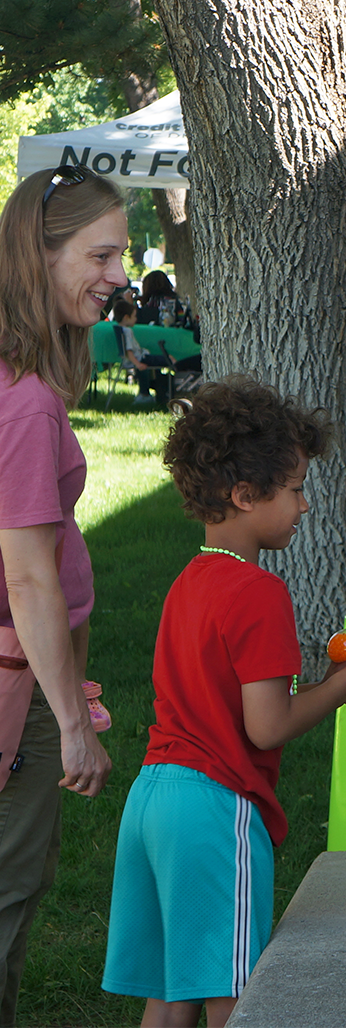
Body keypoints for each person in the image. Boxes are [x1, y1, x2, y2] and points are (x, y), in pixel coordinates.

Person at [101, 377, 346, 1028]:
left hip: (151, 800)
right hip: (211, 809)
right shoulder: (260, 592)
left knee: (173, 996)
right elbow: (266, 727)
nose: (304, 505)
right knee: (238, 998)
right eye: (294, 489)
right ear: (243, 495)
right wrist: (341, 689)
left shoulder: (189, 582)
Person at [0, 164, 117, 1027]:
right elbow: (29, 573)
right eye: (100, 254)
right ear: (39, 257)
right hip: (16, 690)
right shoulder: (27, 406)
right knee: (7, 894)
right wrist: (70, 720)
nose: (117, 275)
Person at [113, 300, 178, 406]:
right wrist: (137, 364)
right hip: (141, 358)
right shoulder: (127, 331)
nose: (136, 319)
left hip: (140, 357)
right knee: (169, 359)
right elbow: (129, 351)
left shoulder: (119, 329)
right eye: (134, 316)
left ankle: (151, 393)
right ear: (126, 317)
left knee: (164, 360)